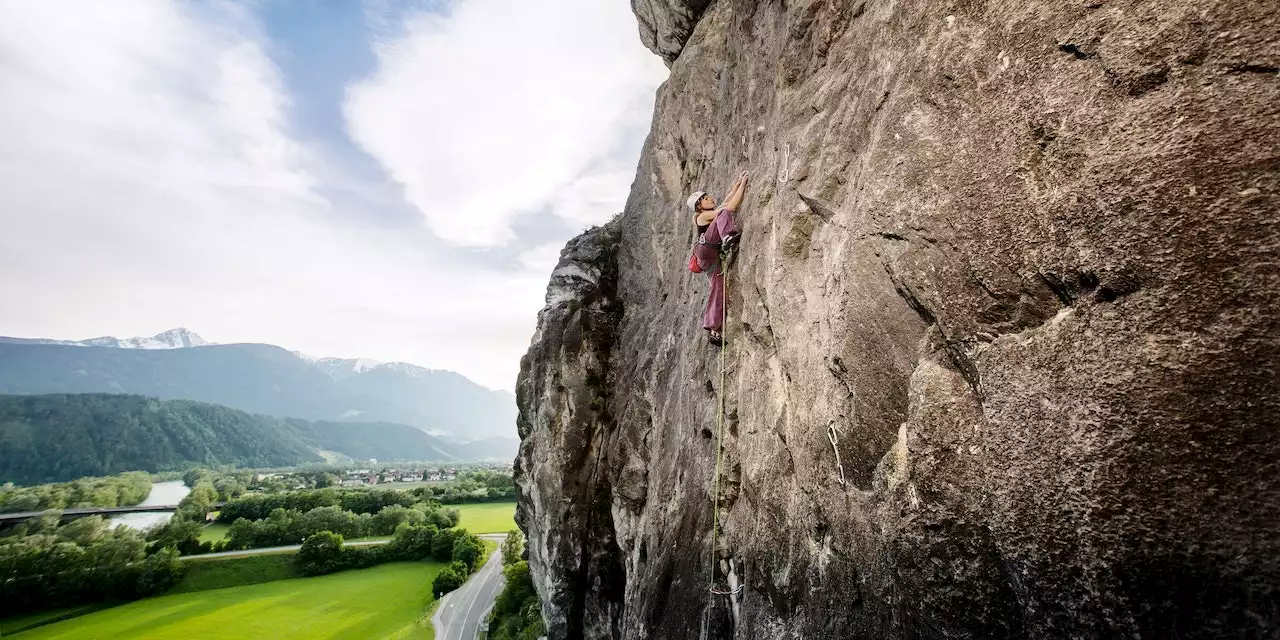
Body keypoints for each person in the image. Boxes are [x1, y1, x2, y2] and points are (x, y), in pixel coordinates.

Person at [687, 170, 748, 346]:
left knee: (718, 289)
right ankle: (727, 236)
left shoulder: (707, 214)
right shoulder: (702, 216)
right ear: (699, 206)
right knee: (724, 214)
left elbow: (726, 202)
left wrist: (737, 184)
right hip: (706, 250)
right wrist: (744, 184)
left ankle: (714, 329)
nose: (710, 199)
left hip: (708, 259)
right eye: (706, 199)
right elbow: (729, 208)